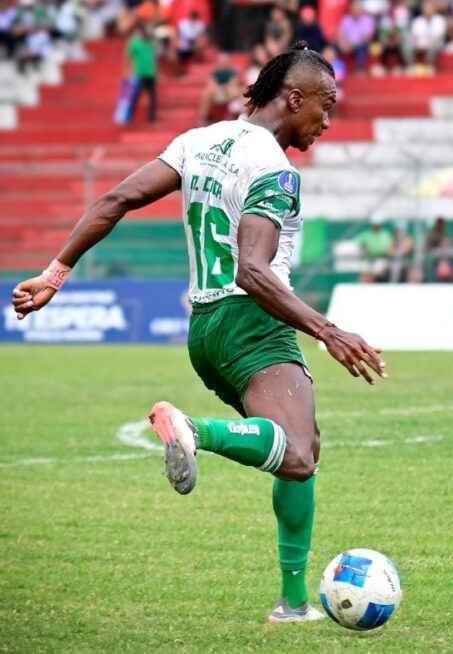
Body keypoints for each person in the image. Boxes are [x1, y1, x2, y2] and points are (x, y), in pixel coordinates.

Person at [11, 41, 386, 624]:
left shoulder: (198, 140)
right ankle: (195, 431)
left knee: (301, 445)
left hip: (204, 329)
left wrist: (55, 274)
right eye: (324, 105)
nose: (328, 119)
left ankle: (293, 603)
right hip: (253, 324)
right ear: (294, 98)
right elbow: (253, 270)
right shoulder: (275, 170)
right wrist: (328, 330)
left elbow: (116, 198)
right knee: (300, 454)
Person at [124, 21, 158, 123]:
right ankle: (129, 116)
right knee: (135, 95)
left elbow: (155, 57)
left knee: (153, 97)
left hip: (150, 73)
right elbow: (129, 56)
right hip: (139, 73)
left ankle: (152, 117)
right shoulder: (135, 43)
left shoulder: (151, 42)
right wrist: (128, 70)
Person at [197, 51, 241, 124]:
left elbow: (233, 84)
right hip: (219, 92)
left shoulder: (232, 72)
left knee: (232, 91)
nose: (223, 63)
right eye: (221, 62)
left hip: (229, 92)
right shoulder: (216, 72)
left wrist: (222, 87)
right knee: (206, 94)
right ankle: (203, 117)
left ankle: (232, 115)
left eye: (224, 62)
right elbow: (211, 84)